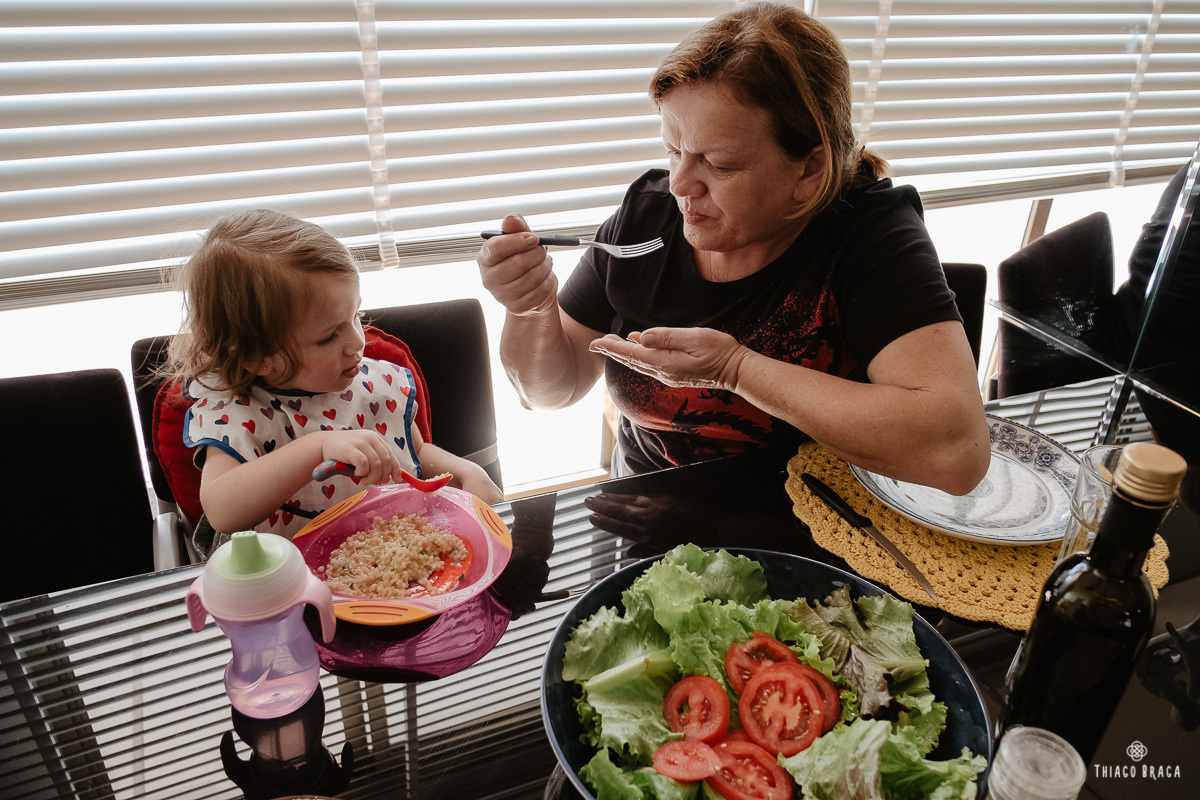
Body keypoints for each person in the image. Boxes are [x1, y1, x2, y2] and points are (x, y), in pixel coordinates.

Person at [476, 2, 989, 493]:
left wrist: (735, 370)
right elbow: (550, 391)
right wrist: (530, 308)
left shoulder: (867, 232)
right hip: (645, 513)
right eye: (673, 149)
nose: (680, 184)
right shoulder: (647, 215)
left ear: (809, 169)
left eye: (718, 164)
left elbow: (957, 453)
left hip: (816, 530)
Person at [170, 209, 503, 543]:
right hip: (297, 584)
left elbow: (413, 452)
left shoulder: (375, 387)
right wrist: (318, 446)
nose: (358, 342)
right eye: (328, 336)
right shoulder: (238, 415)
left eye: (355, 315)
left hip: (393, 561)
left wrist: (465, 471)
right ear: (257, 357)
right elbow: (222, 511)